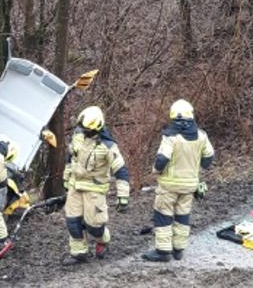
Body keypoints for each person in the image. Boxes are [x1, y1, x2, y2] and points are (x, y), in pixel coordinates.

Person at [142, 99, 214, 262]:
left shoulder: (171, 137)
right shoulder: (201, 136)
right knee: (183, 216)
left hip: (169, 185)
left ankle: (163, 251)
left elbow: (162, 159)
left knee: (163, 216)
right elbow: (209, 158)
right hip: (190, 185)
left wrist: (155, 171)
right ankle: (178, 249)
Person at [63, 105, 130, 264]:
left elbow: (120, 170)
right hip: (75, 186)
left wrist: (123, 196)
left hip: (94, 189)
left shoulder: (107, 146)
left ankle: (103, 239)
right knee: (72, 221)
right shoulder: (78, 136)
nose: (84, 131)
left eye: (87, 130)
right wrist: (66, 178)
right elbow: (71, 157)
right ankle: (79, 252)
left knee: (94, 225)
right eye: (82, 128)